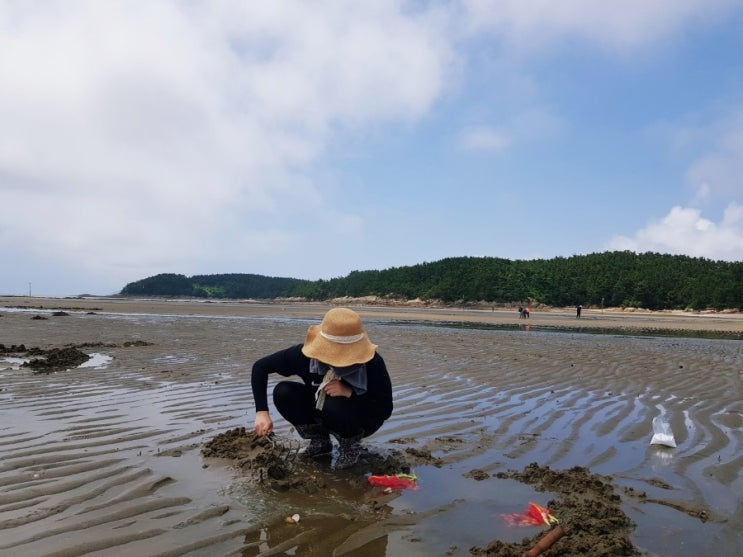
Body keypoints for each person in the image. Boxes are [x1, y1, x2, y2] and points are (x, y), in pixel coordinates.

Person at [251, 307, 393, 469]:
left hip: (360, 419)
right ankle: (320, 442)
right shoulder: (303, 357)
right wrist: (261, 412)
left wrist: (350, 393)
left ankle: (350, 446)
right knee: (283, 392)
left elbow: (385, 410)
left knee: (335, 404)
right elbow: (260, 367)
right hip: (319, 409)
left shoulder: (372, 364)